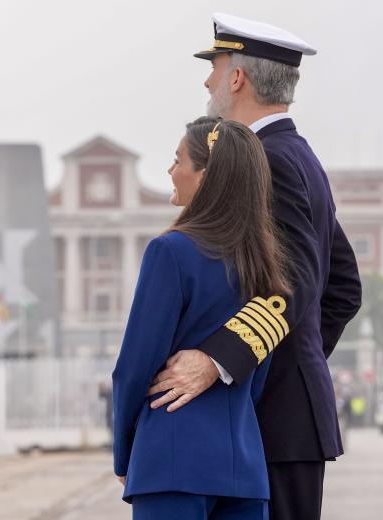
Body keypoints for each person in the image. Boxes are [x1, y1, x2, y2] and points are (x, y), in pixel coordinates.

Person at [145, 13, 362, 520]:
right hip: (288, 415)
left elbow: (298, 280)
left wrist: (222, 361)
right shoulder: (299, 155)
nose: (207, 81)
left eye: (215, 68)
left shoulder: (269, 159)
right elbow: (344, 287)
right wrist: (298, 358)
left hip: (274, 420)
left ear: (237, 78)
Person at [112, 117, 292, 519]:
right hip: (243, 467)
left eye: (179, 161)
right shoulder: (262, 263)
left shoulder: (170, 251)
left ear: (206, 176)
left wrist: (126, 453)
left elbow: (135, 366)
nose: (171, 171)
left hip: (171, 461)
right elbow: (256, 369)